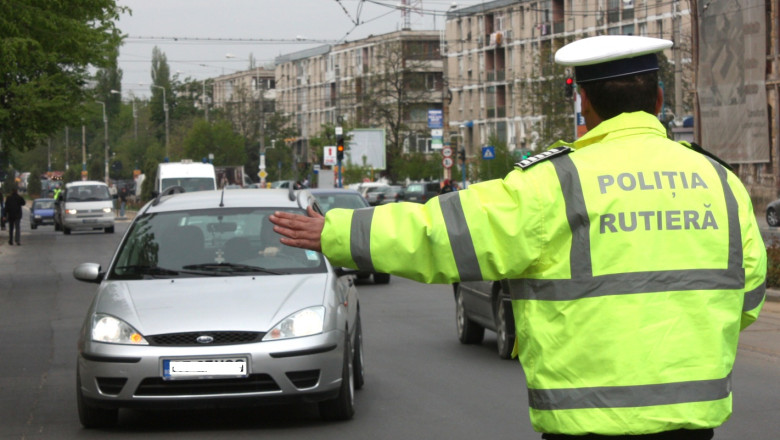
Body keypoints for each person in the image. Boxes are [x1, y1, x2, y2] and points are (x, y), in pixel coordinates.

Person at [269, 35, 767, 439]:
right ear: (659, 100)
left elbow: (441, 234)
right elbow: (747, 298)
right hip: (693, 422)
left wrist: (337, 229)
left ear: (583, 103)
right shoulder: (719, 182)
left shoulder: (554, 183)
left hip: (585, 424)